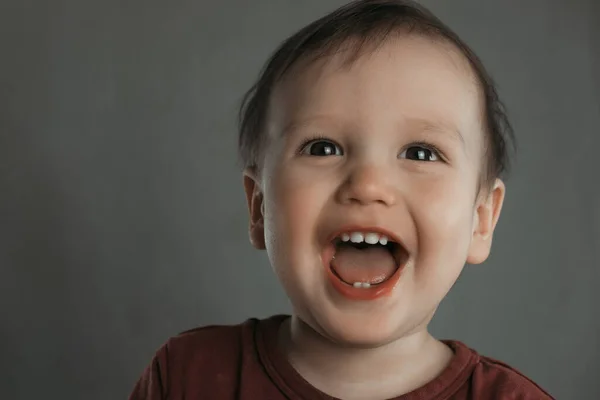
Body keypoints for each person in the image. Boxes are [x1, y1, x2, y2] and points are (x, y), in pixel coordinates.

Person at [129, 1, 554, 398]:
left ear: (481, 219)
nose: (368, 185)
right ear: (259, 207)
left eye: (421, 153)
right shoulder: (188, 377)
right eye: (322, 148)